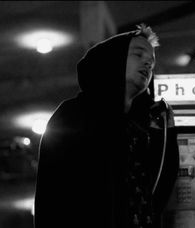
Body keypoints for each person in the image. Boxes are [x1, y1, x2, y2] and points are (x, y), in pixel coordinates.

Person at [34, 24, 179, 228]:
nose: (148, 62)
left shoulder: (142, 126)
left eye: (152, 62)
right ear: (113, 60)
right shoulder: (74, 116)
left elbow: (159, 188)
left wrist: (165, 132)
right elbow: (53, 197)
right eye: (138, 54)